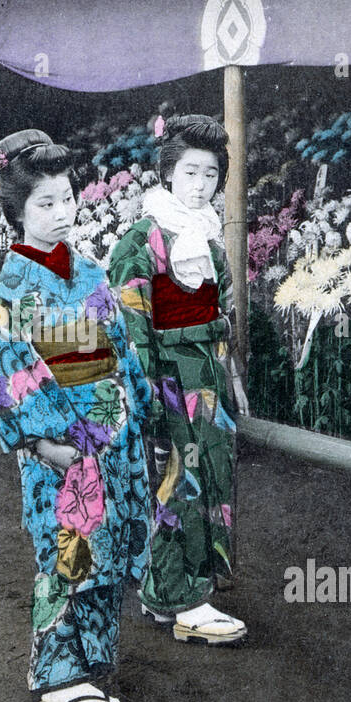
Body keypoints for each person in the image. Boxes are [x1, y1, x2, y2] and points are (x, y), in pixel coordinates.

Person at [0, 129, 153, 702]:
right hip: (61, 445)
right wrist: (43, 439)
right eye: (44, 204)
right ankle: (55, 675)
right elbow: (4, 368)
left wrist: (132, 409)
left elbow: (119, 348)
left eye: (66, 199)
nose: (60, 214)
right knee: (67, 551)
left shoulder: (91, 272)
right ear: (17, 213)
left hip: (111, 434)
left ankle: (90, 661)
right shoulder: (12, 290)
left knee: (107, 544)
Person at [106, 113, 250, 645]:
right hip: (166, 380)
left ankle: (172, 590)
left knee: (209, 478)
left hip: (207, 377)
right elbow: (129, 327)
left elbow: (226, 308)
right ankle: (184, 599)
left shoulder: (207, 240)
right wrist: (144, 400)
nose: (199, 185)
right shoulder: (140, 241)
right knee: (176, 481)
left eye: (210, 175)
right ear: (168, 172)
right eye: (190, 172)